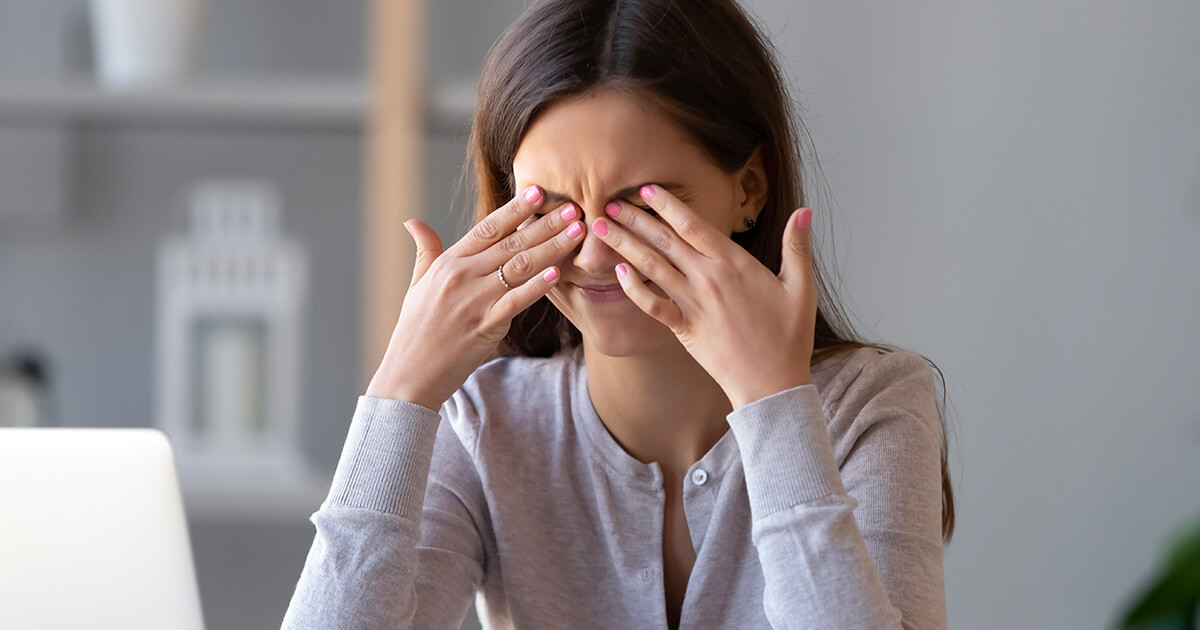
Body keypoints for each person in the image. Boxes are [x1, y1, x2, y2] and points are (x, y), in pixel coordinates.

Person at [282, 0, 954, 628]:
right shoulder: (486, 424)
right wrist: (401, 390)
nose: (596, 254)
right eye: (552, 210)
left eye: (640, 204)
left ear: (749, 188)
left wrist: (771, 400)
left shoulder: (872, 405)